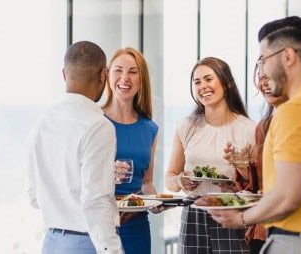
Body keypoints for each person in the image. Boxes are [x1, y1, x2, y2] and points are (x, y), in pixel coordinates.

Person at [209, 16, 301, 254]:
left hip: (297, 245)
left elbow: (288, 196)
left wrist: (241, 219)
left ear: (288, 56)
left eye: (264, 60)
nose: (263, 71)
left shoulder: (295, 111)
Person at [26, 41, 123, 254]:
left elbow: (34, 195)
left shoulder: (42, 122)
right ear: (103, 75)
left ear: (64, 74)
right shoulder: (99, 126)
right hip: (87, 243)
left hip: (51, 242)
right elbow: (95, 200)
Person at [165, 56, 256, 253]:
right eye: (197, 82)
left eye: (208, 79)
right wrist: (181, 181)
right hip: (193, 215)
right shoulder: (186, 126)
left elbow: (258, 185)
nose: (202, 86)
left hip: (231, 213)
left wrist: (238, 179)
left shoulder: (249, 129)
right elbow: (169, 179)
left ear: (227, 83)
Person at [101, 47, 161, 254]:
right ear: (107, 74)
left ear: (141, 79)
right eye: (118, 70)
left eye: (133, 72)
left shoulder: (150, 129)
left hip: (137, 227)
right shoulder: (94, 121)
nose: (125, 78)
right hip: (100, 225)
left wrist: (156, 202)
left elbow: (147, 183)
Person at [223, 71, 288, 254]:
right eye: (261, 78)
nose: (264, 83)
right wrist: (242, 166)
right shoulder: (263, 127)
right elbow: (255, 186)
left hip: (291, 229)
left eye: (269, 76)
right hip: (262, 229)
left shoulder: (300, 121)